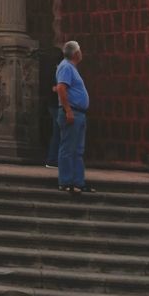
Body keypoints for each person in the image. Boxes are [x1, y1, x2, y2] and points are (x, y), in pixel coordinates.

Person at [55, 40, 94, 193]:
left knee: (77, 150)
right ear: (77, 53)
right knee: (68, 148)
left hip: (79, 113)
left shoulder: (71, 68)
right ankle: (65, 182)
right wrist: (68, 110)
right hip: (72, 113)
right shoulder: (65, 67)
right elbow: (61, 88)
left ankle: (78, 182)